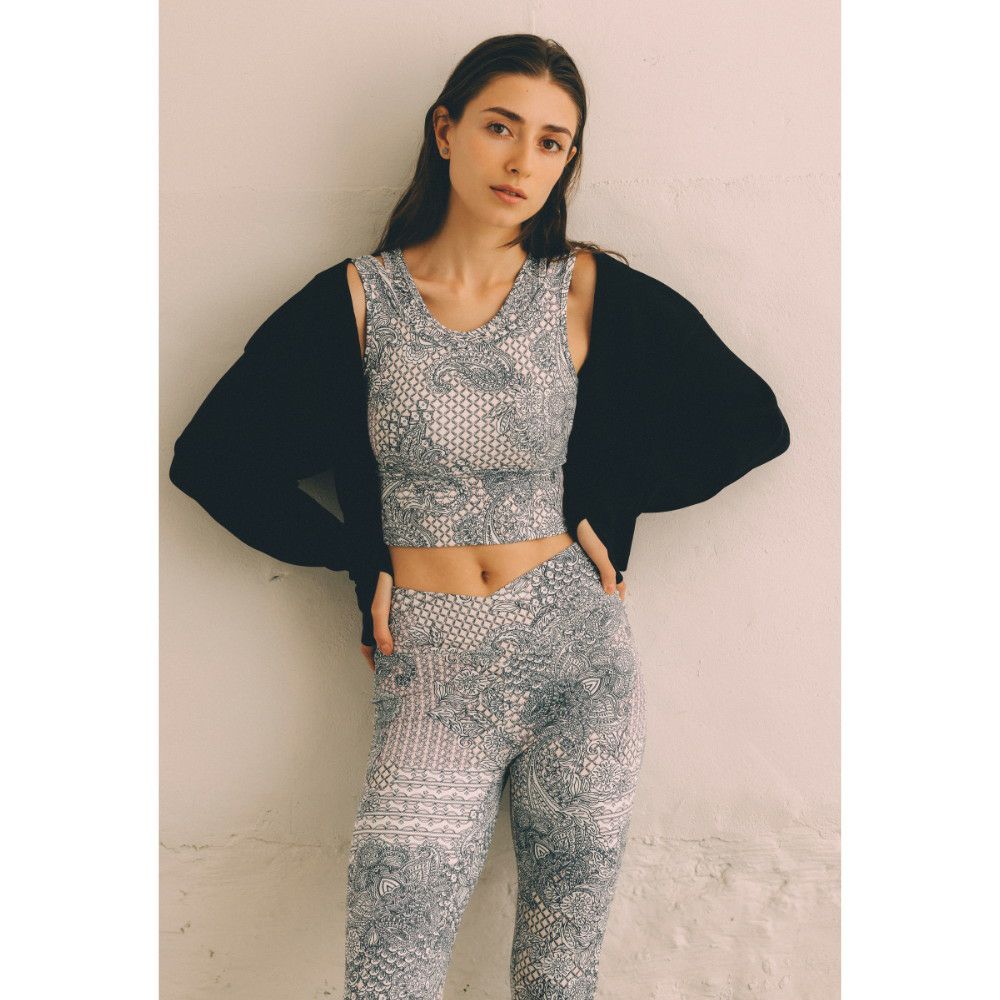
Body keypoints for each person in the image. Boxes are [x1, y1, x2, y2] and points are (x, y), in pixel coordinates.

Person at [169, 34, 790, 1000]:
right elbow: (212, 460)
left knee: (558, 975)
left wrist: (606, 502)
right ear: (446, 131)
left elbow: (751, 423)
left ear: (567, 162)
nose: (521, 161)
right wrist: (358, 555)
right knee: (389, 971)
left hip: (578, 659)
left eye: (551, 142)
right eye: (502, 128)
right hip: (431, 665)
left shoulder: (583, 288)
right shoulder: (360, 299)